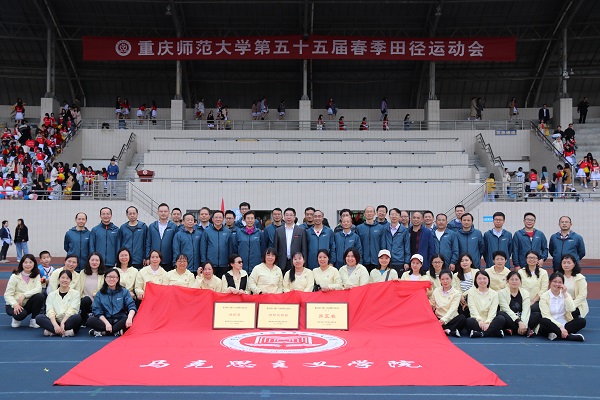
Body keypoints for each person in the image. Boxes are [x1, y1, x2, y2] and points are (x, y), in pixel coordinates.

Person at [87, 268, 136, 337]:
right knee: (90, 320)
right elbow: (97, 311)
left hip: (119, 319)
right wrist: (107, 323)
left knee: (130, 318)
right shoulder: (100, 293)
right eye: (109, 277)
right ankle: (116, 331)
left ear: (118, 279)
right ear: (105, 278)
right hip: (105, 320)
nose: (111, 279)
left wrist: (130, 318)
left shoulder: (124, 292)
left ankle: (104, 332)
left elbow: (131, 306)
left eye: (114, 277)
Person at [538, 272, 585, 341]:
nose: (557, 284)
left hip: (564, 324)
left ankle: (557, 335)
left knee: (582, 321)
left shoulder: (566, 294)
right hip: (551, 323)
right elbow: (546, 316)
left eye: (560, 282)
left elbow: (571, 308)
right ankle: (568, 336)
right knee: (544, 321)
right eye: (554, 281)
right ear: (550, 282)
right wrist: (560, 327)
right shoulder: (544, 297)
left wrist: (565, 294)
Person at [36, 270, 82, 337]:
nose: (65, 280)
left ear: (70, 280)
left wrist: (63, 322)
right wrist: (55, 325)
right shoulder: (52, 294)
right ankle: (65, 332)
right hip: (55, 320)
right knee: (39, 318)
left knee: (77, 318)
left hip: (68, 320)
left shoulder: (75, 293)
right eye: (63, 278)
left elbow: (73, 310)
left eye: (67, 278)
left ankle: (53, 332)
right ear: (58, 279)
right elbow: (50, 310)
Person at [4, 254, 44, 328]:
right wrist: (15, 304)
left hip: (27, 303)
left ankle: (33, 319)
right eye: (25, 262)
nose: (28, 264)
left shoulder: (36, 275)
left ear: (34, 264)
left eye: (30, 262)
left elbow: (38, 289)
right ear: (22, 264)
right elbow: (8, 294)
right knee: (21, 315)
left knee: (40, 296)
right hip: (14, 304)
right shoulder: (15, 276)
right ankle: (16, 318)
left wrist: (24, 295)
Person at [466, 271, 505, 338]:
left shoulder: (494, 294)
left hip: (490, 321)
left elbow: (493, 310)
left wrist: (487, 322)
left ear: (488, 280)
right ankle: (493, 332)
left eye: (484, 278)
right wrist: (480, 321)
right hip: (477, 321)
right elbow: (472, 309)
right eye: (479, 278)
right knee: (469, 321)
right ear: (476, 280)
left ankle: (481, 334)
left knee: (501, 319)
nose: (482, 281)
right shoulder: (471, 293)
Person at [498, 271, 536, 337]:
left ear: (520, 281)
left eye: (516, 279)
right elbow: (506, 309)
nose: (514, 281)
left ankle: (516, 329)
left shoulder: (525, 293)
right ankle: (526, 330)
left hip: (523, 318)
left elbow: (526, 310)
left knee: (537, 315)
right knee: (500, 314)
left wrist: (523, 324)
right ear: (508, 281)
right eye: (512, 279)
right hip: (511, 318)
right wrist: (519, 322)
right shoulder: (501, 293)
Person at [430, 270, 466, 337]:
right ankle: (448, 330)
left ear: (451, 279)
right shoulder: (436, 291)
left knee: (462, 318)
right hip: (439, 317)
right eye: (442, 279)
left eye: (447, 279)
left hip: (451, 318)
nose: (445, 281)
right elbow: (432, 305)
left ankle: (442, 329)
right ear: (440, 280)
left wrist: (443, 320)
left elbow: (453, 308)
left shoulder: (456, 293)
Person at [274, 208, 307, 273]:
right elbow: (276, 248)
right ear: (283, 217)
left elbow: (304, 248)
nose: (288, 217)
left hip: (297, 262)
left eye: (291, 215)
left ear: (294, 217)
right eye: (287, 215)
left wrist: (304, 262)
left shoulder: (301, 230)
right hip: (282, 262)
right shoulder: (278, 231)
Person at [146, 203, 178, 272]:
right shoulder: (152, 226)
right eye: (161, 211)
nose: (163, 213)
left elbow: (176, 245)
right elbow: (148, 243)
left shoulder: (173, 227)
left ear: (169, 212)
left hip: (168, 260)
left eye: (165, 211)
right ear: (158, 212)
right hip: (154, 260)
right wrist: (147, 257)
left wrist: (175, 260)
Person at [355, 206, 386, 272]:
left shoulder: (380, 228)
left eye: (371, 212)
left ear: (375, 213)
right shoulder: (359, 228)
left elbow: (383, 245)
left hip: (377, 261)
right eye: (367, 212)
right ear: (364, 214)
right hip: (363, 261)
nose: (369, 213)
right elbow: (357, 246)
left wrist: (382, 259)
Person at [518, 250, 549, 315]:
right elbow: (519, 287)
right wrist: (525, 301)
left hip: (537, 301)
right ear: (526, 259)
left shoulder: (543, 272)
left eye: (534, 258)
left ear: (538, 260)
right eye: (529, 257)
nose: (531, 259)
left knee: (535, 309)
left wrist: (533, 301)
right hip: (523, 300)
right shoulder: (520, 272)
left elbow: (544, 289)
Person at [558, 254, 588, 319]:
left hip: (575, 303)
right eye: (564, 263)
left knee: (571, 314)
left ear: (574, 264)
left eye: (569, 263)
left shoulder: (580, 278)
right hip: (560, 302)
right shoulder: (557, 276)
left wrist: (571, 305)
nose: (566, 265)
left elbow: (582, 296)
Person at [79, 252, 106, 325]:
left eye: (97, 260)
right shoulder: (82, 273)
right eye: (92, 260)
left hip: (98, 301)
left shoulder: (104, 274)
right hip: (85, 301)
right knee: (86, 300)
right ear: (89, 261)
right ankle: (83, 319)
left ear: (100, 262)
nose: (94, 262)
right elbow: (79, 288)